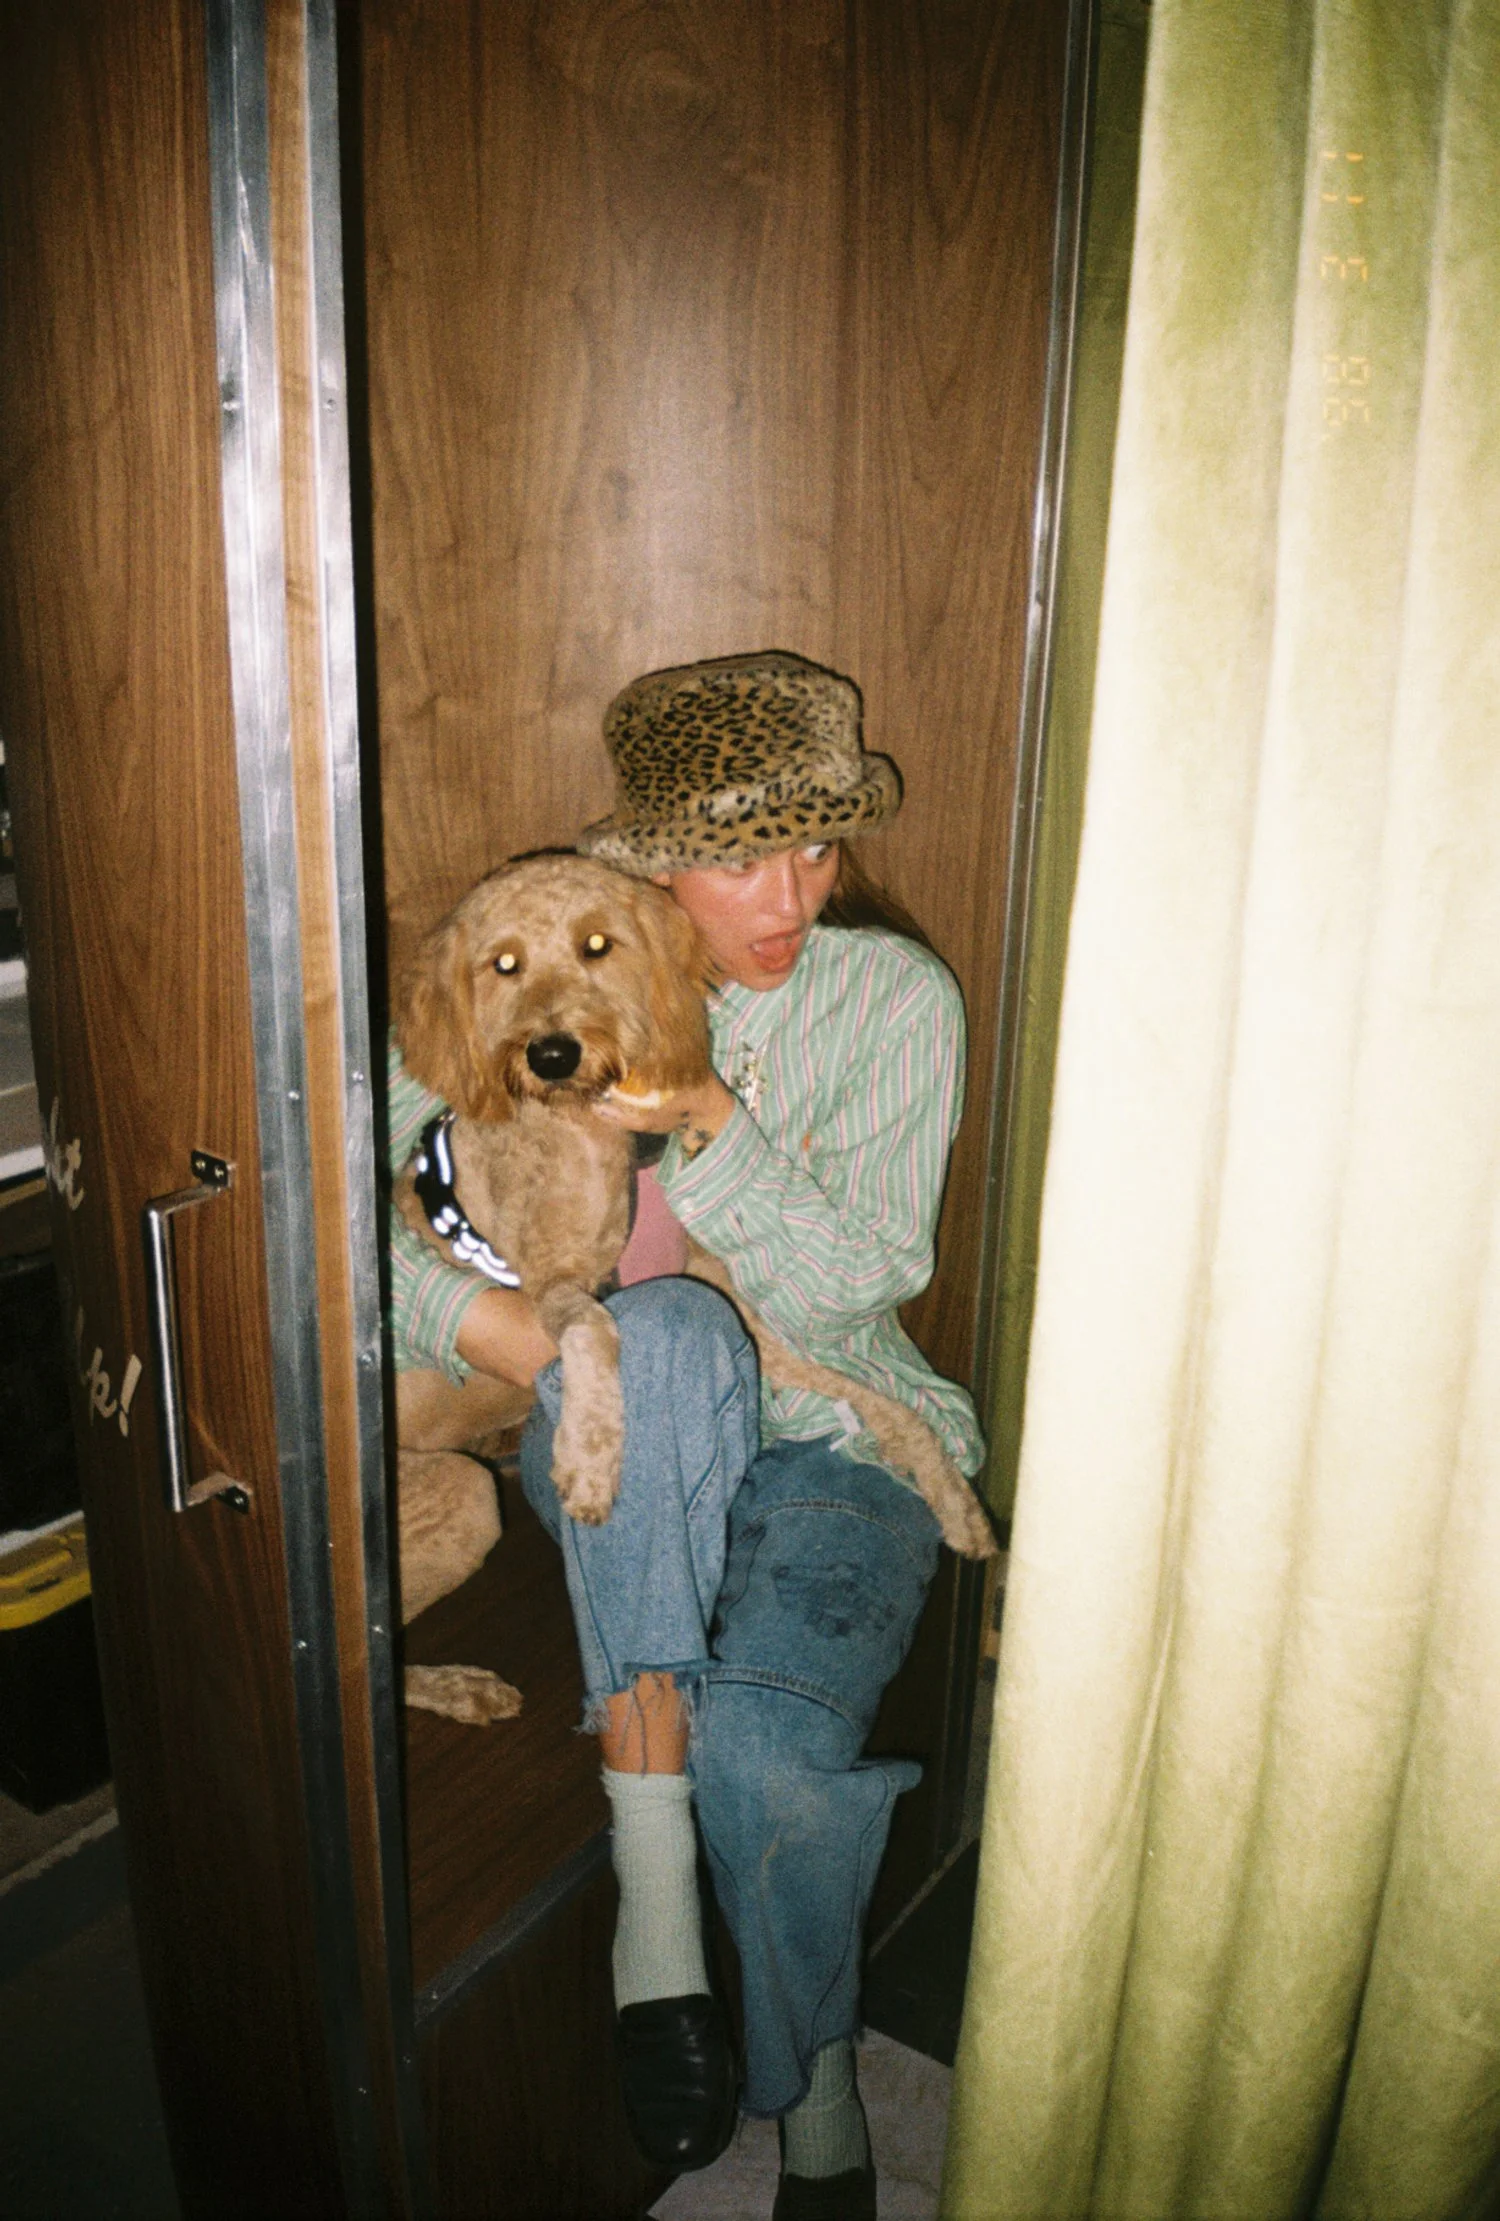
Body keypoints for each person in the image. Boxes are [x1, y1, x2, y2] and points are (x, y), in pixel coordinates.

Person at [387, 651, 986, 2221]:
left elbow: (868, 1279)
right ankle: (653, 1895)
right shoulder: (544, 960)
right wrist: (505, 1330)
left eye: (816, 847)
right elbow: (362, 1217)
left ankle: (823, 2090)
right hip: (614, 1428)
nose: (791, 894)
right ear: (655, 859)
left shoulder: (893, 1001)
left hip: (830, 1448)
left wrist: (704, 1119)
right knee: (654, 1341)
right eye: (740, 855)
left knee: (780, 1758)